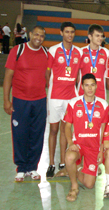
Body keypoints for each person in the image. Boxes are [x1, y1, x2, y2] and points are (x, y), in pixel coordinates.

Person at [3, 26, 48, 182]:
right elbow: (8, 76)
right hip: (20, 100)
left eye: (42, 36)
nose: (38, 38)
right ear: (30, 35)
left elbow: (51, 74)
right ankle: (21, 168)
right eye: (36, 34)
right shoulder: (18, 50)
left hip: (40, 100)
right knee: (20, 134)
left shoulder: (46, 53)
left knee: (37, 134)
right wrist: (6, 100)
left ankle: (32, 167)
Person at [64, 73, 109, 201]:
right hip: (78, 144)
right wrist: (70, 142)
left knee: (89, 185)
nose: (90, 88)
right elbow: (67, 126)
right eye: (87, 85)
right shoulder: (73, 103)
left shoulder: (103, 104)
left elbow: (104, 130)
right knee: (69, 157)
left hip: (94, 147)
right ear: (82, 87)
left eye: (92, 85)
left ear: (96, 86)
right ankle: (74, 186)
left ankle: (76, 168)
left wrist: (101, 150)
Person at [46, 22, 83, 178]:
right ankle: (51, 164)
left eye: (72, 32)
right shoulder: (53, 50)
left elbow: (80, 74)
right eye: (67, 32)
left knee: (65, 130)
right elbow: (47, 72)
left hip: (70, 97)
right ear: (61, 32)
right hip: (55, 96)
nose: (70, 34)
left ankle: (62, 162)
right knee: (53, 130)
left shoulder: (78, 52)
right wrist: (52, 87)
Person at [78, 24, 109, 100]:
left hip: (100, 93)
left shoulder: (106, 53)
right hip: (82, 92)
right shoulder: (81, 52)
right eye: (97, 36)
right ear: (90, 36)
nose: (100, 38)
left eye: (101, 36)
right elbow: (76, 72)